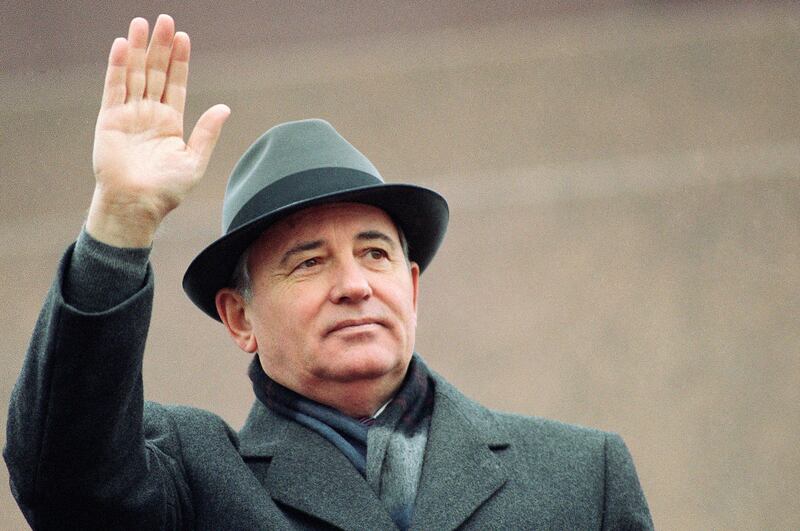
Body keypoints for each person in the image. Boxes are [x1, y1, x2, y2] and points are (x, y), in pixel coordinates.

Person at [4, 14, 653, 530]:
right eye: (309, 262)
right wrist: (118, 225)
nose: (354, 283)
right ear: (239, 317)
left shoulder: (579, 476)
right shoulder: (194, 480)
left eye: (376, 252)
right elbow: (65, 480)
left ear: (413, 285)